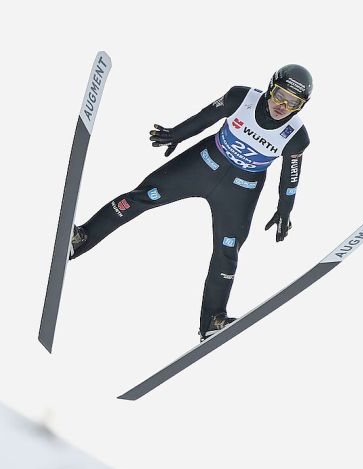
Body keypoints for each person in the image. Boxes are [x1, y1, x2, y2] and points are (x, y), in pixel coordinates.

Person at [69, 64, 313, 340]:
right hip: (203, 163)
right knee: (143, 196)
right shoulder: (240, 98)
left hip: (241, 189)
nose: (282, 106)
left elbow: (291, 177)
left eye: (293, 103)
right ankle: (81, 239)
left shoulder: (296, 137)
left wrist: (285, 209)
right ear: (271, 87)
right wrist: (176, 134)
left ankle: (212, 320)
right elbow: (206, 117)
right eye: (280, 95)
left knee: (227, 250)